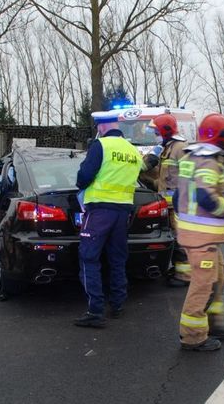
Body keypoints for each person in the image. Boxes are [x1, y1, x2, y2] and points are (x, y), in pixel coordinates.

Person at [73, 115, 157, 328]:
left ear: (101, 126)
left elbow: (84, 177)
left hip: (99, 210)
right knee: (117, 258)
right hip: (123, 212)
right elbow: (142, 171)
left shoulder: (101, 145)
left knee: (88, 257)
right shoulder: (130, 149)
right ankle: (118, 304)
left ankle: (95, 311)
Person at [173, 113, 224, 351]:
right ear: (223, 136)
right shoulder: (209, 162)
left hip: (197, 235)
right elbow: (204, 196)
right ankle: (193, 337)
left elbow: (180, 195)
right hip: (202, 238)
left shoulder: (191, 157)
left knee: (218, 278)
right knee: (204, 285)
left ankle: (213, 324)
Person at [146, 114, 191, 287]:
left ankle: (185, 275)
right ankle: (178, 268)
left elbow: (189, 176)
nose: (155, 134)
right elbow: (160, 176)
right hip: (169, 204)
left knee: (182, 239)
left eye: (157, 131)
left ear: (165, 131)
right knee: (174, 238)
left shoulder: (180, 148)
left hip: (180, 204)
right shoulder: (165, 148)